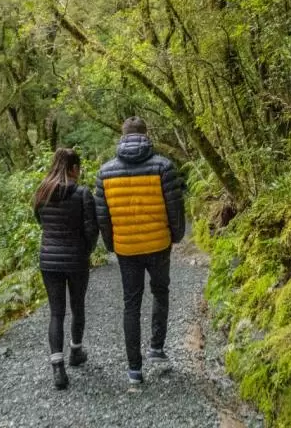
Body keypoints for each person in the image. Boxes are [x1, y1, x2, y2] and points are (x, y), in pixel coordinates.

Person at [94, 117, 185, 385]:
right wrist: (176, 236)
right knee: (160, 292)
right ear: (146, 135)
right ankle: (157, 347)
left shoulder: (105, 172)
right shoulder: (163, 166)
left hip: (126, 248)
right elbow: (175, 208)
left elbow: (103, 217)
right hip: (158, 244)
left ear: (122, 137)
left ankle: (135, 369)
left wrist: (112, 244)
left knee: (131, 304)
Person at [33, 148, 99, 390]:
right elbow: (92, 229)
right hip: (76, 260)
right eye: (78, 168)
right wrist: (87, 250)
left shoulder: (42, 192)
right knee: (77, 306)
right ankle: (75, 351)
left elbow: (40, 221)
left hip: (49, 261)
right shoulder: (82, 193)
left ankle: (58, 368)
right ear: (73, 168)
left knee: (56, 313)